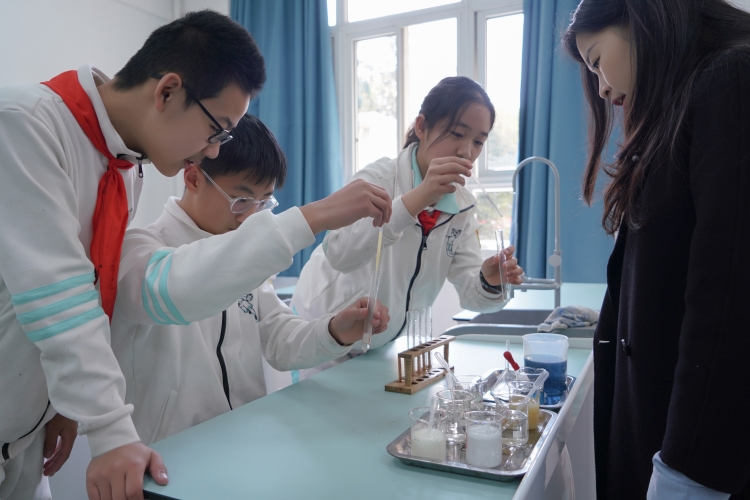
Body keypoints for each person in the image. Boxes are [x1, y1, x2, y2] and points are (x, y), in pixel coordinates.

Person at [0, 10, 390, 500]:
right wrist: (110, 429)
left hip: (27, 433)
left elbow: (75, 295)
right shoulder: (24, 124)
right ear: (167, 91)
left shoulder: (123, 168)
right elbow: (59, 300)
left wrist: (58, 405)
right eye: (217, 130)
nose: (212, 151)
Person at [563, 0, 750, 498]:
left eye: (597, 61)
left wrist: (688, 473)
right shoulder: (684, 104)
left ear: (640, 17)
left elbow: (728, 297)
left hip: (697, 452)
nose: (602, 88)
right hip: (655, 423)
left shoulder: (731, 78)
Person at [110, 114, 391, 444]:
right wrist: (318, 215)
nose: (250, 216)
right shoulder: (138, 252)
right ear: (193, 178)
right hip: (169, 454)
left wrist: (336, 330)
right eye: (241, 200)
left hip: (244, 440)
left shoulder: (246, 257)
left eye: (263, 202)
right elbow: (185, 286)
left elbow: (280, 339)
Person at [292, 76, 524, 354]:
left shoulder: (462, 207)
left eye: (478, 141)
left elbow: (472, 297)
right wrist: (417, 199)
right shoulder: (378, 179)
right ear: (422, 126)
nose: (466, 151)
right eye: (457, 134)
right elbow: (339, 253)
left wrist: (490, 280)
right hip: (320, 332)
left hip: (380, 344)